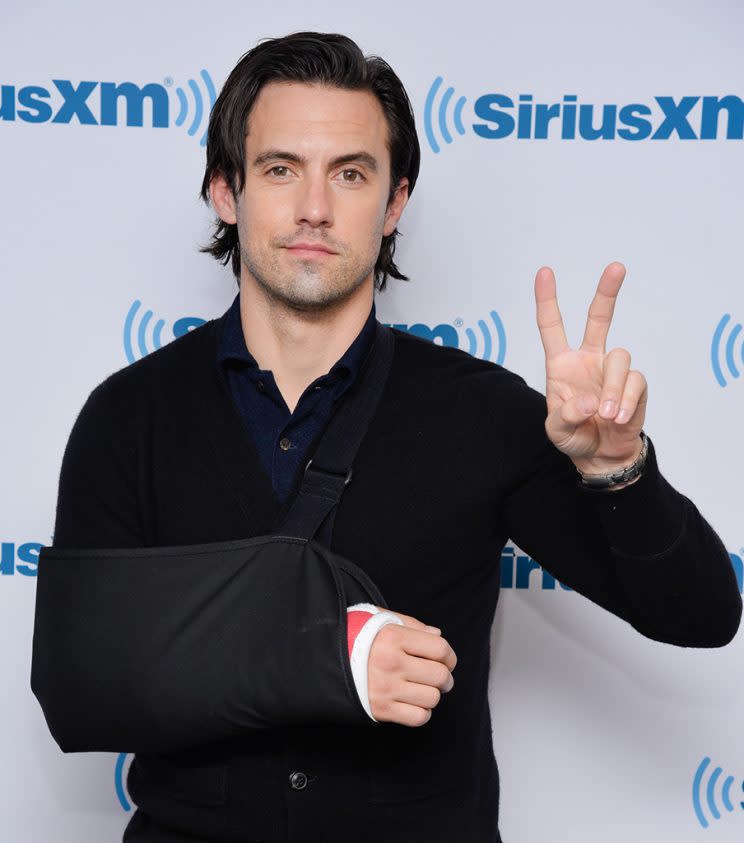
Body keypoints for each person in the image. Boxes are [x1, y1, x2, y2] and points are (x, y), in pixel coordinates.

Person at [34, 31, 741, 843]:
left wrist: (621, 473)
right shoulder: (129, 416)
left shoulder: (483, 413)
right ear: (226, 191)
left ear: (394, 203)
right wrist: (331, 657)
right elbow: (82, 681)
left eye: (351, 173)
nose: (314, 208)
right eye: (280, 169)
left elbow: (703, 613)